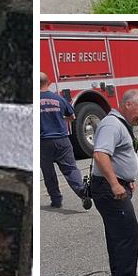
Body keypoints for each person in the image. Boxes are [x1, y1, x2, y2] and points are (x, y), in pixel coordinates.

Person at [92, 88, 138, 276]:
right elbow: (100, 155)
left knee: (121, 234)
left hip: (116, 186)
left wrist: (128, 179)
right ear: (128, 105)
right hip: (109, 190)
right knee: (126, 235)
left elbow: (119, 155)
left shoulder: (120, 124)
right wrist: (116, 183)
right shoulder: (111, 124)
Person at [39, 72, 89, 210]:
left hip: (42, 142)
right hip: (62, 140)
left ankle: (56, 200)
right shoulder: (58, 99)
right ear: (48, 83)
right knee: (70, 168)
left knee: (48, 172)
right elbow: (72, 116)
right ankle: (81, 191)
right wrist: (62, 119)